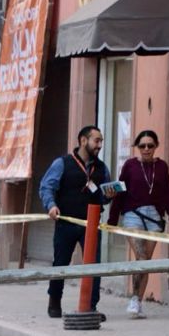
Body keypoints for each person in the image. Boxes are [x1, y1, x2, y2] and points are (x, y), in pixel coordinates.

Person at [40, 125, 111, 319]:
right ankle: (54, 300)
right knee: (60, 264)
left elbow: (103, 196)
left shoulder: (102, 168)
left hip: (91, 224)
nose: (99, 145)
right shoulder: (62, 163)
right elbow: (46, 187)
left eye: (101, 141)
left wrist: (109, 195)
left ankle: (90, 306)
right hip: (66, 223)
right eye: (96, 140)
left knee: (93, 266)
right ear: (83, 140)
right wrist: (51, 206)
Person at [112, 129, 169, 318]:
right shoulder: (130, 166)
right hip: (132, 215)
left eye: (150, 145)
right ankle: (134, 301)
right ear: (137, 147)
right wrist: (112, 220)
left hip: (154, 219)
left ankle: (137, 301)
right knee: (141, 257)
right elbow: (120, 192)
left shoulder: (162, 167)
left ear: (156, 146)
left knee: (146, 262)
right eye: (142, 145)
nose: (146, 149)